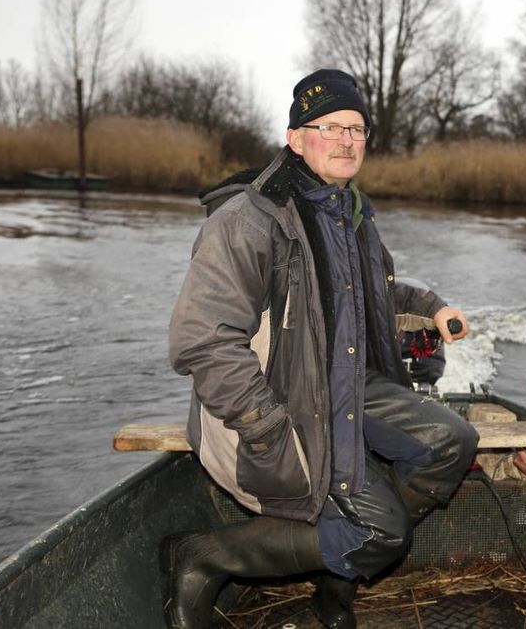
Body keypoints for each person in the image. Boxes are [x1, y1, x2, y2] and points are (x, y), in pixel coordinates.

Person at [164, 69, 479, 629]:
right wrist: (266, 426)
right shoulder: (248, 221)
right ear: (295, 138)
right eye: (329, 127)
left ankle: (340, 570)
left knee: (450, 441)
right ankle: (206, 554)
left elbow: (377, 296)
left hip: (350, 384)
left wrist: (433, 310)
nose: (345, 140)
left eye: (356, 129)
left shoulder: (351, 212)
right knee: (385, 532)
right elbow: (203, 340)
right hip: (281, 402)